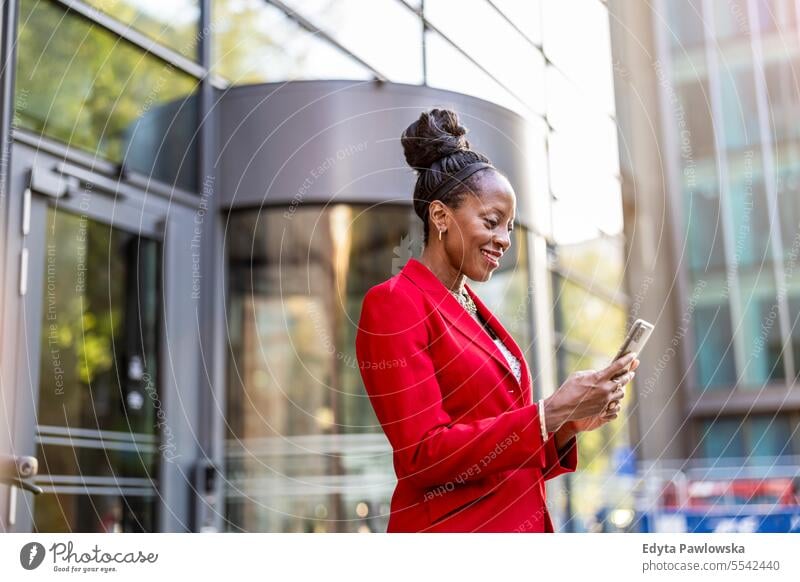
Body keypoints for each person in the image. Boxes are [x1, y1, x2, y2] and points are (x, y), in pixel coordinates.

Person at [355, 108, 639, 533]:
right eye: (491, 222)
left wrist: (565, 423)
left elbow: (502, 453)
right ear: (440, 216)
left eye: (508, 226)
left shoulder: (474, 309)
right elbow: (422, 458)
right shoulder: (395, 304)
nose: (504, 239)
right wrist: (549, 411)